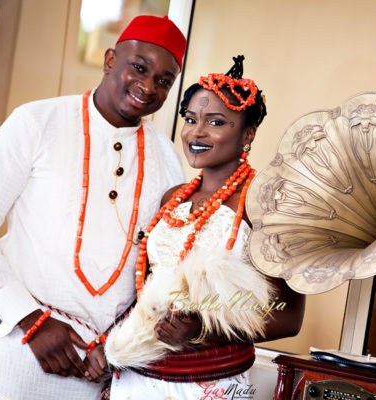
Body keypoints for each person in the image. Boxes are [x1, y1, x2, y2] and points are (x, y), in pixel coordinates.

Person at [0, 15, 187, 400]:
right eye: (138, 67)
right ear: (110, 59)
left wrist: (121, 347)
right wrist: (32, 322)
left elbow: (160, 269)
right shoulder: (36, 122)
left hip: (105, 372)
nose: (147, 86)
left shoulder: (168, 159)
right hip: (20, 356)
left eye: (163, 80)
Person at [104, 56, 306, 399]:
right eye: (191, 119)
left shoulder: (265, 204)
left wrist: (202, 328)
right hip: (137, 379)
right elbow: (147, 288)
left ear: (248, 134)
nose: (196, 132)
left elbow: (289, 318)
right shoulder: (174, 198)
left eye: (216, 122)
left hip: (208, 385)